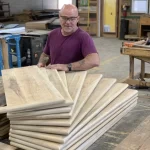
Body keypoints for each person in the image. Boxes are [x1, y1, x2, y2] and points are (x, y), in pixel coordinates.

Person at [37, 4, 100, 71]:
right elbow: (46, 55)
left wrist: (67, 67)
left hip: (73, 78)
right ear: (59, 17)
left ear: (77, 19)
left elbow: (94, 61)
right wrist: (42, 62)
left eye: (72, 19)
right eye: (64, 18)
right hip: (55, 76)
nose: (67, 22)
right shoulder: (52, 34)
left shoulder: (84, 37)